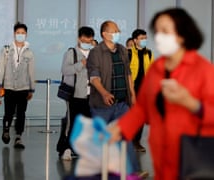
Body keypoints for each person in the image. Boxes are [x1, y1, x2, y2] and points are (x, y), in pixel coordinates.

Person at [108, 8, 214, 180]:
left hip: (194, 160)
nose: (158, 37)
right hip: (161, 158)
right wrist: (120, 128)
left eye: (165, 31)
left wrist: (191, 103)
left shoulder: (203, 70)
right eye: (157, 31)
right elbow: (142, 108)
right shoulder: (157, 69)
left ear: (182, 34)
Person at [87, 20, 150, 178]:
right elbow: (94, 77)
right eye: (114, 30)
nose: (117, 33)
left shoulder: (122, 50)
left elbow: (128, 73)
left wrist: (133, 94)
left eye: (118, 30)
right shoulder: (96, 52)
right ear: (104, 34)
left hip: (122, 104)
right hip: (102, 105)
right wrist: (104, 93)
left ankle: (132, 172)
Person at [0, 22, 35, 149]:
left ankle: (18, 137)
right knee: (9, 111)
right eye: (18, 33)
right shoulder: (6, 50)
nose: (20, 35)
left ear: (26, 35)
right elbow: (0, 68)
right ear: (14, 34)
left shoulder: (29, 52)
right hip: (9, 86)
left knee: (21, 113)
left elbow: (31, 71)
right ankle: (6, 130)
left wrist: (31, 88)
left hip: (23, 87)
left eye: (23, 33)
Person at [57, 26, 94, 160]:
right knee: (71, 123)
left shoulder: (94, 53)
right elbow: (65, 70)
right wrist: (81, 64)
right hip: (74, 95)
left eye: (89, 41)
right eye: (84, 40)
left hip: (90, 95)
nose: (87, 43)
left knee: (87, 124)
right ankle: (65, 148)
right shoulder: (71, 53)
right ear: (79, 39)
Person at [129, 29, 154, 152]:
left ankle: (136, 141)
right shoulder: (128, 53)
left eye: (145, 38)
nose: (144, 40)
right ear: (135, 40)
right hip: (131, 89)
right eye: (141, 38)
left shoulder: (148, 53)